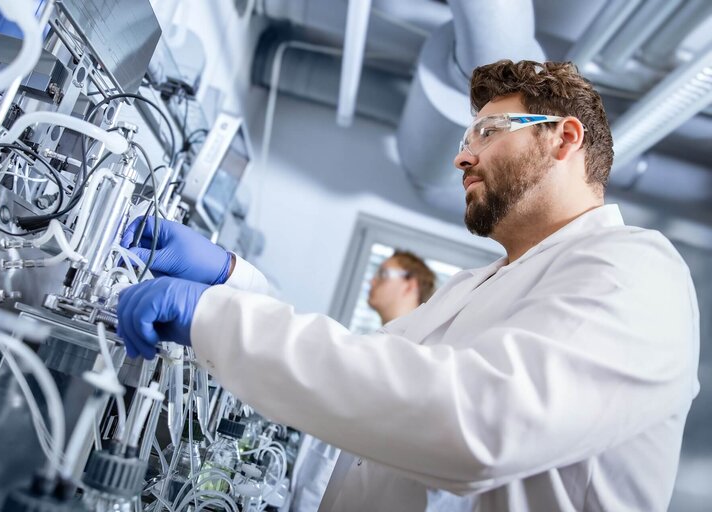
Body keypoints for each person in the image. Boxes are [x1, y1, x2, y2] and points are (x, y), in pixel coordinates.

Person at [116, 60, 700, 511]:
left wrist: (216, 317)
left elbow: (477, 423)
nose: (460, 157)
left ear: (564, 138)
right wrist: (232, 280)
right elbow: (372, 380)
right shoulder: (481, 283)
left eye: (486, 132)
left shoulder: (637, 271)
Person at [290, 251, 438, 512]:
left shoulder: (407, 356)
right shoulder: (375, 343)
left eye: (382, 274)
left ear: (410, 285)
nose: (371, 282)